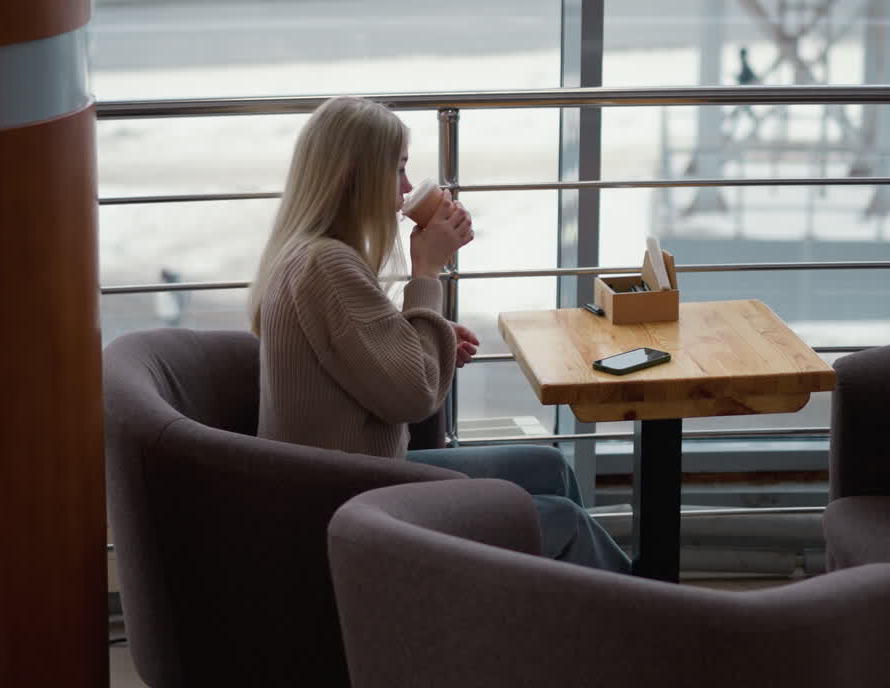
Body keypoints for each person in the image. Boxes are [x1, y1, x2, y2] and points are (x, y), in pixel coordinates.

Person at [248, 95, 630, 573]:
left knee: (549, 468)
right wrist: (427, 270)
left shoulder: (308, 253)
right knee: (564, 521)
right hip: (354, 501)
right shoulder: (328, 266)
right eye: (398, 169)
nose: (408, 187)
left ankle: (584, 617)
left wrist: (431, 331)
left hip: (352, 480)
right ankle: (652, 624)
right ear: (356, 175)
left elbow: (359, 352)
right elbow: (414, 395)